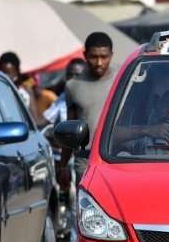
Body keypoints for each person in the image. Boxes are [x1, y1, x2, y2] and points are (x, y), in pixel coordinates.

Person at [58, 32, 118, 191]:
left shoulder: (122, 79)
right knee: (86, 204)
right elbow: (70, 130)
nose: (99, 63)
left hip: (118, 158)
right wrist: (63, 166)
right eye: (93, 57)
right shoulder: (73, 86)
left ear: (111, 55)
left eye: (104, 57)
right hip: (85, 161)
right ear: (85, 55)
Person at [42, 58, 87, 126]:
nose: (72, 78)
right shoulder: (64, 97)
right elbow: (43, 121)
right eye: (70, 74)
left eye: (77, 75)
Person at [0, 51, 37, 118]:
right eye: (3, 72)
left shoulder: (26, 92)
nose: (5, 76)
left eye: (9, 73)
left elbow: (34, 117)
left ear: (17, 72)